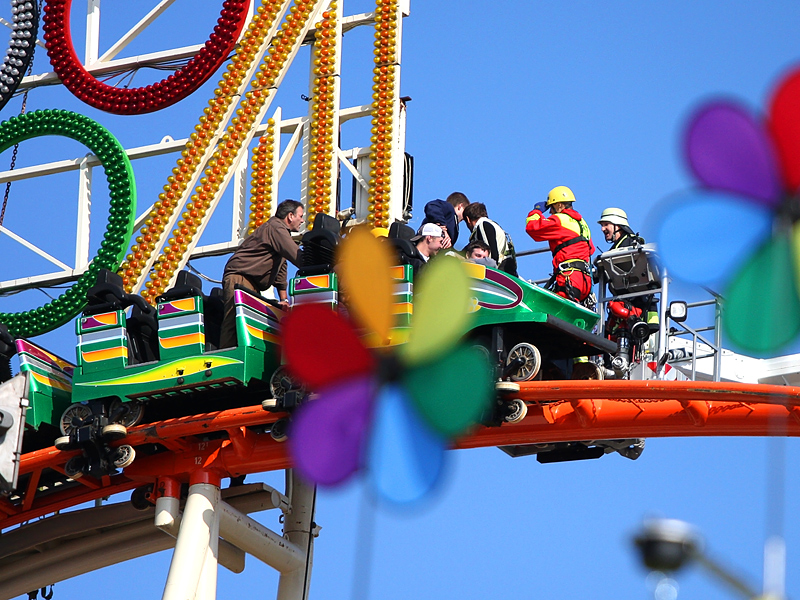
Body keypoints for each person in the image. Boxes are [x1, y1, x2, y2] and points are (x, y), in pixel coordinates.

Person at [219, 199, 304, 348]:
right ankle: (228, 358)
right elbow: (296, 255)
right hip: (240, 276)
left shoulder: (281, 234)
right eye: (300, 216)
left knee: (249, 322)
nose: (302, 220)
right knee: (235, 319)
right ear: (290, 216)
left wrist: (283, 299)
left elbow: (281, 266)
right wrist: (316, 263)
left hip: (252, 283)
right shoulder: (276, 228)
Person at [596, 207, 658, 373]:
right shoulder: (615, 250)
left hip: (636, 308)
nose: (603, 229)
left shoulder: (632, 245)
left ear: (618, 225)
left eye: (606, 224)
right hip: (623, 312)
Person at [525, 186, 595, 304]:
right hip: (585, 281)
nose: (550, 212)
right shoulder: (583, 224)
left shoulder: (560, 220)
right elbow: (591, 250)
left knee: (551, 311)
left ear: (559, 206)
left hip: (569, 278)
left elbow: (532, 228)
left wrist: (536, 211)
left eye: (551, 208)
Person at [462, 202, 517, 276]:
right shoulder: (491, 224)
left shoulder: (482, 225)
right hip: (508, 268)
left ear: (468, 219)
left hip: (501, 270)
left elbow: (490, 253)